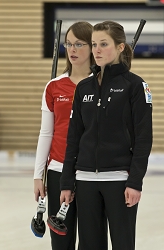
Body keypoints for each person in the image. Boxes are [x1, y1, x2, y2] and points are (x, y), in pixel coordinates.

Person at [60, 20, 153, 250]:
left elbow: (143, 138)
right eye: (94, 44)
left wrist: (135, 182)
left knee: (122, 244)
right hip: (85, 181)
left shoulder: (135, 86)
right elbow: (73, 138)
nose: (97, 50)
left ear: (120, 47)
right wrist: (66, 182)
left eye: (104, 44)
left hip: (120, 182)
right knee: (89, 245)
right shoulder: (84, 88)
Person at [33, 21, 108, 250]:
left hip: (91, 173)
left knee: (91, 240)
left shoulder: (105, 86)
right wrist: (38, 175)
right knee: (61, 241)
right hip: (57, 170)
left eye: (79, 44)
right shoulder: (54, 87)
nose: (72, 49)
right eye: (68, 44)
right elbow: (46, 133)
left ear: (93, 47)